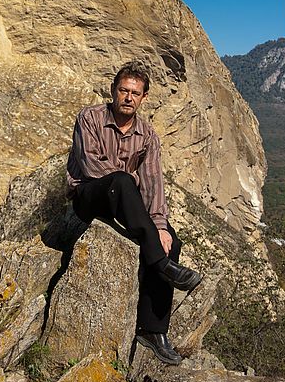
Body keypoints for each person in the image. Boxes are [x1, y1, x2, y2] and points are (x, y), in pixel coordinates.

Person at [66, 61, 202, 365]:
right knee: (124, 181)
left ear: (143, 98)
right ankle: (160, 262)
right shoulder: (90, 118)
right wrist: (128, 184)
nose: (128, 97)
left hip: (124, 199)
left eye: (135, 93)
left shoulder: (147, 135)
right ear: (114, 91)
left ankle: (153, 331)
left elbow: (153, 183)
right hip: (90, 195)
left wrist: (161, 226)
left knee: (171, 242)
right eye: (124, 90)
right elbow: (90, 166)